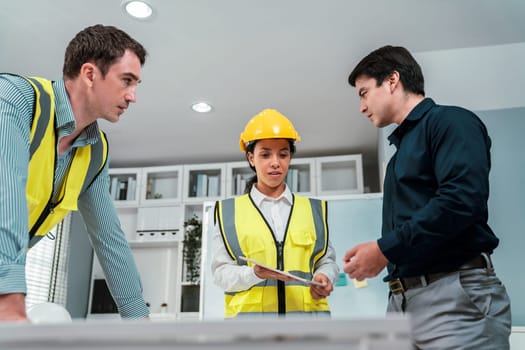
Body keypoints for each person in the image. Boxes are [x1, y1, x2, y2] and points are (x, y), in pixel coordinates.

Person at [343, 45, 511, 349]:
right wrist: (385, 257)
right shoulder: (397, 158)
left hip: (454, 299)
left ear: (392, 80)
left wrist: (384, 250)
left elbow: (460, 201)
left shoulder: (450, 122)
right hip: (401, 303)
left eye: (364, 93)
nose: (362, 107)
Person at [0, 24, 149, 321]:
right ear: (90, 74)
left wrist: (139, 322)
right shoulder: (15, 99)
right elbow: (6, 193)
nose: (133, 96)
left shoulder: (95, 151)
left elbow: (109, 239)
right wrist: (8, 299)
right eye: (126, 81)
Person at [211, 109, 339, 318]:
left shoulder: (313, 210)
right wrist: (253, 274)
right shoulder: (229, 213)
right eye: (265, 154)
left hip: (308, 329)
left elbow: (327, 261)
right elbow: (220, 274)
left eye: (283, 154)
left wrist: (325, 276)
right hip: (250, 333)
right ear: (251, 158)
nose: (275, 162)